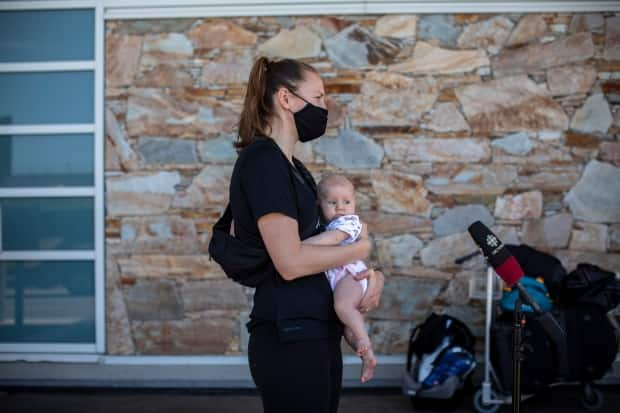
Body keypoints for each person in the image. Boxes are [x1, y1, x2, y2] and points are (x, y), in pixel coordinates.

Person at [228, 56, 385, 413]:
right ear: (286, 99)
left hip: (313, 333)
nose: (323, 108)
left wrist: (370, 275)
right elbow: (290, 262)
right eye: (317, 98)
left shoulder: (292, 168)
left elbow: (322, 247)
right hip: (289, 339)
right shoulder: (264, 164)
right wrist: (360, 248)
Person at [302, 174, 377, 383]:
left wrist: (300, 246)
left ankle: (364, 340)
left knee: (343, 307)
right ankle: (367, 356)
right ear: (320, 204)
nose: (340, 207)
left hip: (350, 275)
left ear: (354, 203)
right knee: (347, 329)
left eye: (346, 202)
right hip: (339, 278)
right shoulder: (323, 223)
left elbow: (333, 239)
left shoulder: (350, 222)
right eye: (332, 202)